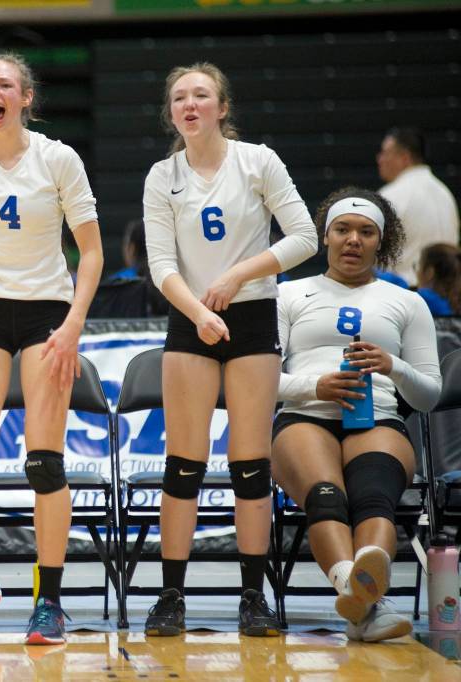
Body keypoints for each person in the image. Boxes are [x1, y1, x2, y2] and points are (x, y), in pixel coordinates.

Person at [142, 62, 318, 637]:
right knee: (183, 465)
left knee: (250, 465)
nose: (189, 105)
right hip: (190, 317)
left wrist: (239, 275)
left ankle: (252, 596)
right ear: (172, 113)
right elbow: (162, 264)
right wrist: (198, 312)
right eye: (178, 98)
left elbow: (302, 237)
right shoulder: (161, 176)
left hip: (251, 314)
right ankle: (170, 595)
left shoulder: (257, 161)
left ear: (221, 107)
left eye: (201, 95)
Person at [0, 53, 103, 645]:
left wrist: (74, 325)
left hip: (47, 315)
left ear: (26, 97)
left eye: (5, 83)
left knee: (43, 462)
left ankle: (49, 601)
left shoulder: (58, 159)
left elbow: (92, 252)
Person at [273, 187, 441, 641]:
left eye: (366, 232)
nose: (353, 239)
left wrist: (393, 365)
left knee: (372, 496)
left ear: (380, 242)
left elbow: (428, 395)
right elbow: (257, 382)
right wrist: (315, 384)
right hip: (306, 414)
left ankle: (358, 602)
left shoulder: (407, 302)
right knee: (327, 496)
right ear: (324, 236)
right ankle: (368, 600)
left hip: (379, 416)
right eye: (343, 229)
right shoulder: (289, 294)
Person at [377, 127, 460, 286]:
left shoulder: (391, 195)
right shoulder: (445, 193)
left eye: (385, 153)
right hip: (450, 296)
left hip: (405, 293)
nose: (379, 159)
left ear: (404, 157)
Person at [416, 243, 461, 317]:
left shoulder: (422, 299)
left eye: (418, 267)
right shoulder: (456, 304)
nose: (417, 273)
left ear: (429, 273)